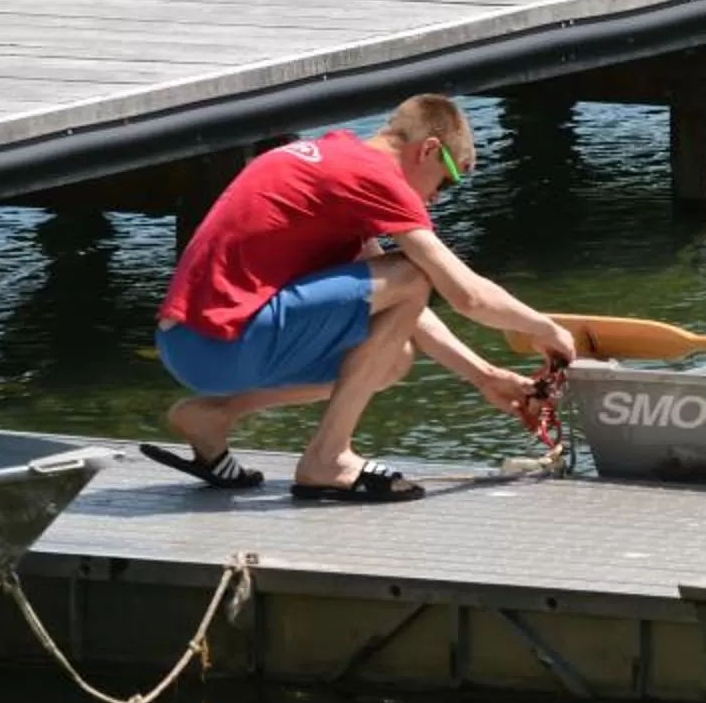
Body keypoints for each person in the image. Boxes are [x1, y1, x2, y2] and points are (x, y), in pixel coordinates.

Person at [147, 95, 576, 502]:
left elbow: (402, 310)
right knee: (414, 272)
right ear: (428, 150)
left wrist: (484, 376)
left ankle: (216, 414)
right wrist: (547, 329)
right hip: (222, 343)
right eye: (447, 180)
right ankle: (327, 459)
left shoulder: (338, 161)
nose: (436, 197)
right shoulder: (375, 177)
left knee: (392, 358)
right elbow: (467, 295)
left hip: (190, 344)